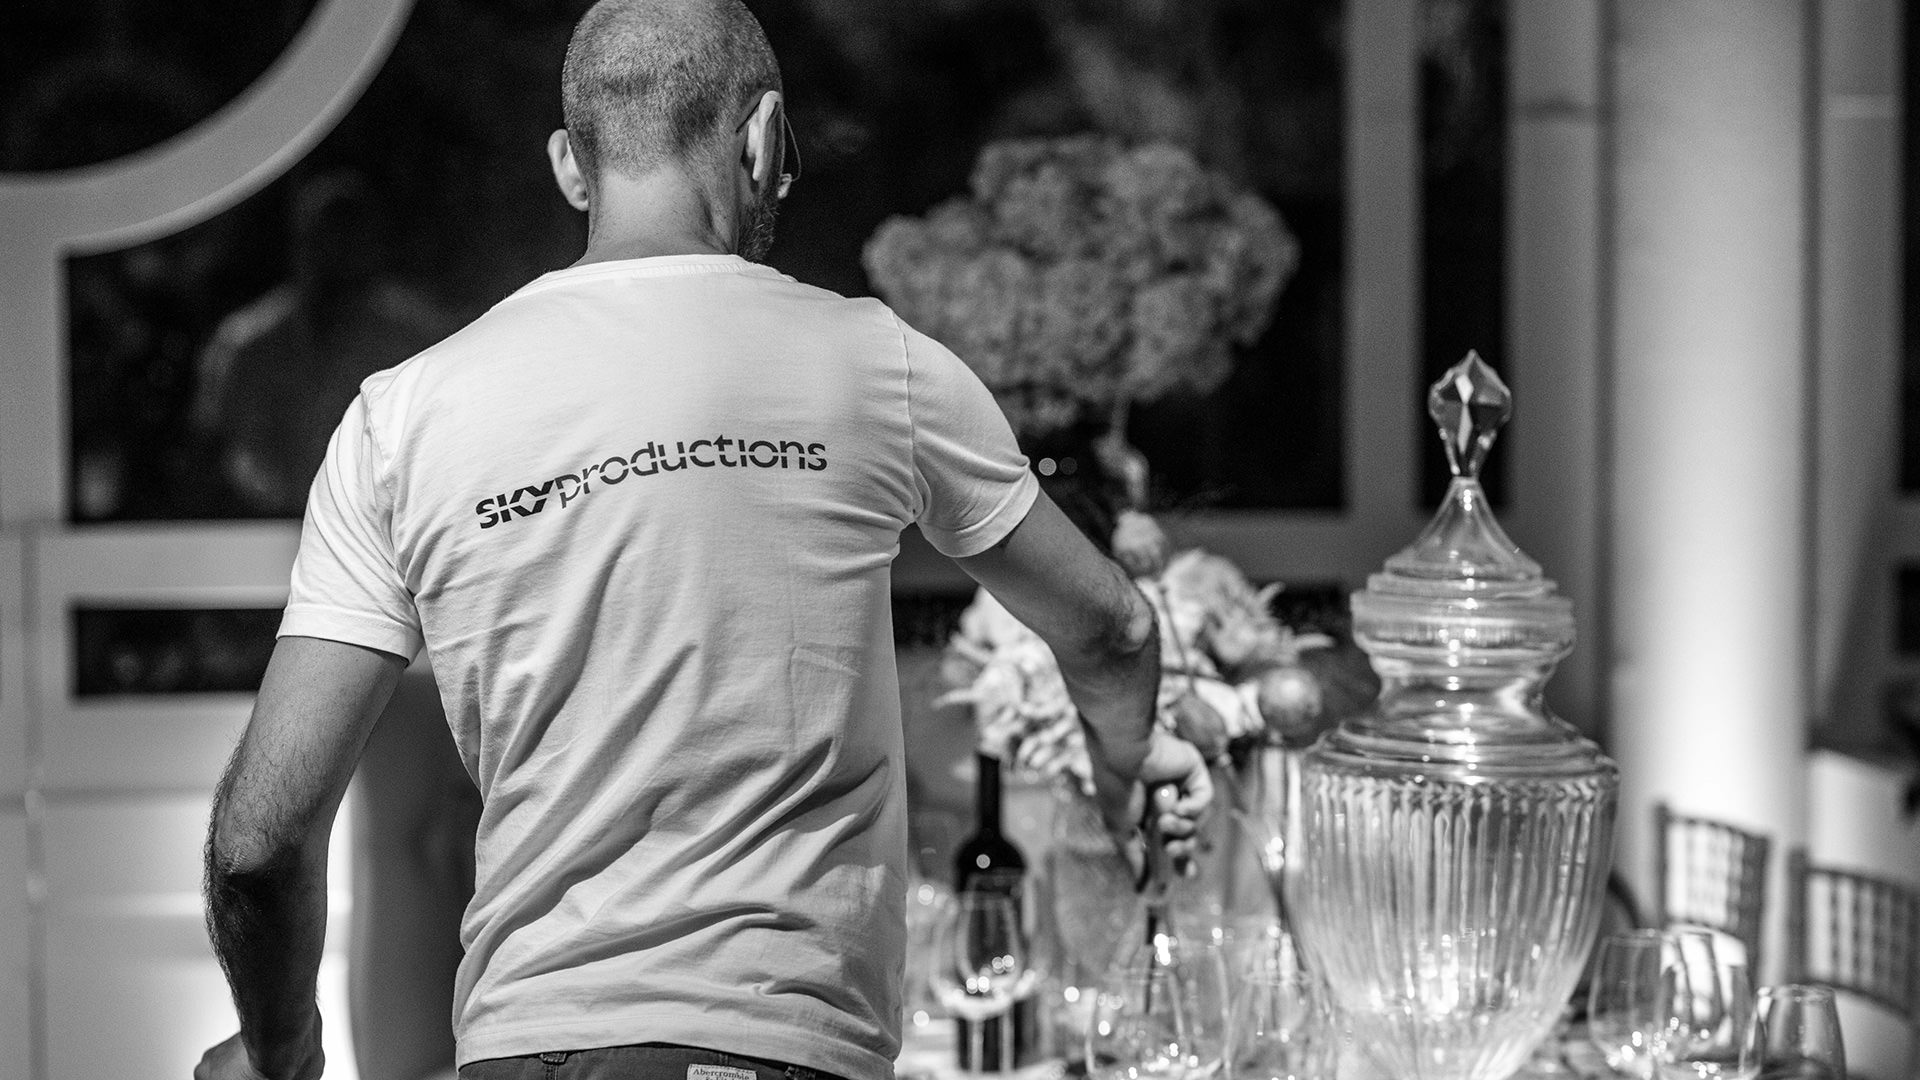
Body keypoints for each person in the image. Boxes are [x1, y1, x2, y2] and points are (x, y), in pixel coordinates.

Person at [195, 1, 1213, 1078]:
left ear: (571, 166)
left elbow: (259, 842)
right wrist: (1129, 757)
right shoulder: (874, 363)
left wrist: (277, 1050)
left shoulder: (400, 417)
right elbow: (1110, 627)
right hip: (778, 1048)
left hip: (519, 1053)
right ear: (765, 138)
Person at [191, 169, 449, 517]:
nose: (339, 255)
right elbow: (220, 450)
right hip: (271, 530)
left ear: (374, 247)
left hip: (389, 529)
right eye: (327, 240)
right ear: (302, 246)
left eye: (351, 240)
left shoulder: (415, 340)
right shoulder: (248, 344)